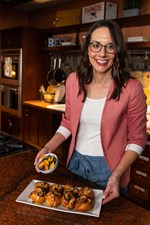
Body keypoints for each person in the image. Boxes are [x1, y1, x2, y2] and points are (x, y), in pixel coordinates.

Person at [34, 20, 147, 205]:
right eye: (96, 45)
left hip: (110, 169)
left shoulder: (131, 89)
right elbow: (68, 122)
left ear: (117, 50)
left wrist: (116, 175)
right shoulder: (73, 81)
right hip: (75, 163)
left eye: (110, 46)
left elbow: (137, 139)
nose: (102, 53)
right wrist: (48, 147)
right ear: (88, 49)